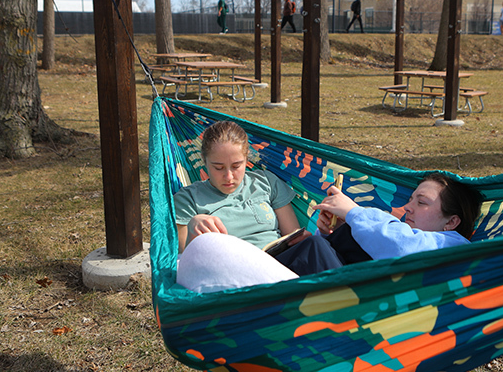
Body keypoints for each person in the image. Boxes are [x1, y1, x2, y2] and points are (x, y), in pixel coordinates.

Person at [173, 121, 327, 292]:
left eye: (236, 166)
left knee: (316, 243)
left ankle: (348, 300)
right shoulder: (188, 198)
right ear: (205, 161)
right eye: (218, 167)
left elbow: (292, 234)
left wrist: (299, 238)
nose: (228, 176)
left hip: (278, 263)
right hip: (233, 274)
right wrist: (194, 226)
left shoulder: (265, 182)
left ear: (247, 159)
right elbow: (185, 262)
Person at [274, 173, 482, 276]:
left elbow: (404, 247)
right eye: (410, 199)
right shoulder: (390, 235)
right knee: (318, 245)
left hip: (366, 316)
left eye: (421, 202)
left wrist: (354, 212)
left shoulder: (455, 246)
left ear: (451, 221)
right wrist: (331, 232)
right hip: (348, 298)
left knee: (314, 249)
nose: (408, 207)